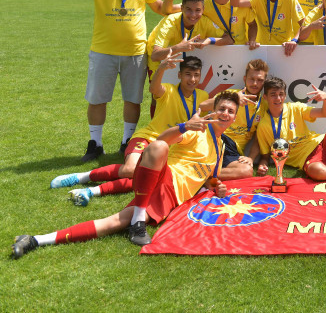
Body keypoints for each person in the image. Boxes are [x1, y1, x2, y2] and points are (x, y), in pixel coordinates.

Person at [12, 91, 244, 258]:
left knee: (114, 222)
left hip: (171, 195)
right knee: (158, 147)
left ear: (235, 118)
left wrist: (216, 185)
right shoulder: (198, 130)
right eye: (221, 108)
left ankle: (35, 240)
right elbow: (162, 141)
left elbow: (209, 177)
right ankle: (138, 219)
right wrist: (185, 126)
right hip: (164, 176)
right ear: (214, 110)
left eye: (230, 111)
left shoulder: (222, 146)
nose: (225, 113)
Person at [51, 0, 177, 161]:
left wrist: (181, 3)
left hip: (136, 52)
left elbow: (160, 9)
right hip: (103, 51)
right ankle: (95, 143)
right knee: (97, 98)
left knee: (133, 99)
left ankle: (126, 141)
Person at [50, 54, 208, 205]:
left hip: (169, 147)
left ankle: (90, 191)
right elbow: (154, 89)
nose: (192, 79)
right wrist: (161, 68)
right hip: (147, 138)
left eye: (196, 75)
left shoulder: (203, 96)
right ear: (179, 75)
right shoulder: (168, 90)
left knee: (146, 178)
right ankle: (81, 177)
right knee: (130, 170)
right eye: (188, 74)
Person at [147, 0, 232, 77]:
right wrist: (178, 47)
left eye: (198, 10)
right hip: (159, 61)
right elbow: (155, 55)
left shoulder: (205, 22)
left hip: (183, 60)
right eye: (189, 9)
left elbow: (229, 39)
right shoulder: (170, 23)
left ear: (203, 9)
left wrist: (209, 40)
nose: (193, 15)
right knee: (159, 90)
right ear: (182, 8)